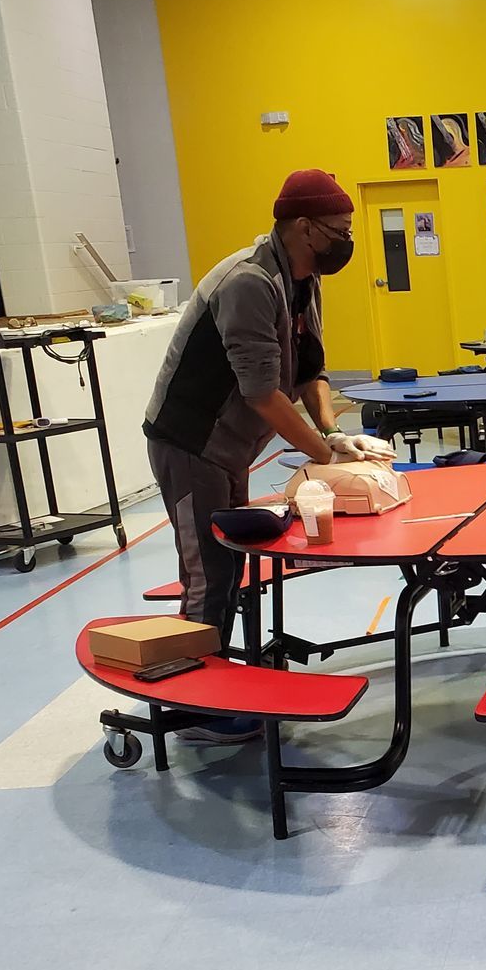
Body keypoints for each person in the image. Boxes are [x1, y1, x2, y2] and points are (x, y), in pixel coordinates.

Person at [142, 169, 386, 743]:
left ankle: (218, 677)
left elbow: (308, 370)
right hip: (190, 444)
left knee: (231, 561)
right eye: (340, 230)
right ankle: (197, 708)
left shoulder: (303, 278)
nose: (346, 241)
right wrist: (325, 455)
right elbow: (261, 394)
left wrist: (334, 430)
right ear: (304, 227)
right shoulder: (249, 282)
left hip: (230, 448)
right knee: (208, 570)